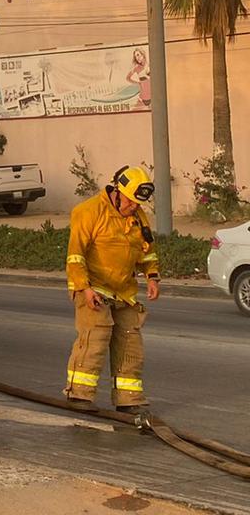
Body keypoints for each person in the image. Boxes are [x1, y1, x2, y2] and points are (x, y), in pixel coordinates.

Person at [64, 165, 161, 412]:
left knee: (130, 342)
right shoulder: (88, 212)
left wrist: (152, 277)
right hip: (93, 286)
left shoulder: (137, 216)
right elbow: (75, 255)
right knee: (96, 337)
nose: (135, 207)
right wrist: (85, 289)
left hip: (124, 291)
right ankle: (79, 395)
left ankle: (128, 399)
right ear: (117, 192)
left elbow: (147, 251)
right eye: (130, 201)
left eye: (139, 203)